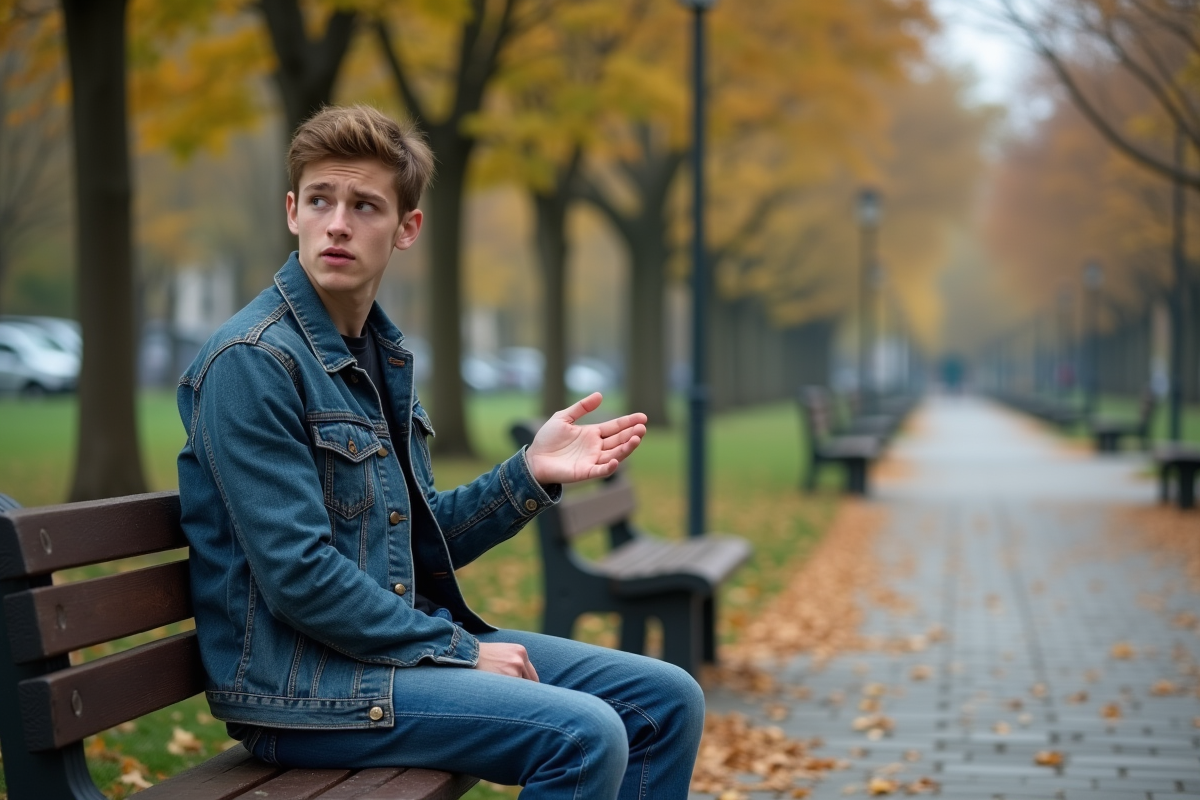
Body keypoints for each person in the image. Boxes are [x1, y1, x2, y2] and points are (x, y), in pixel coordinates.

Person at [176, 104, 705, 800]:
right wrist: (463, 652)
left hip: (384, 656)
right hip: (304, 687)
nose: (338, 222)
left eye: (365, 205)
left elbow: (414, 540)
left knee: (668, 700)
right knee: (586, 735)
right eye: (320, 200)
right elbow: (298, 574)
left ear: (406, 228)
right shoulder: (253, 362)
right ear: (291, 212)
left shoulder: (378, 355)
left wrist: (529, 474)